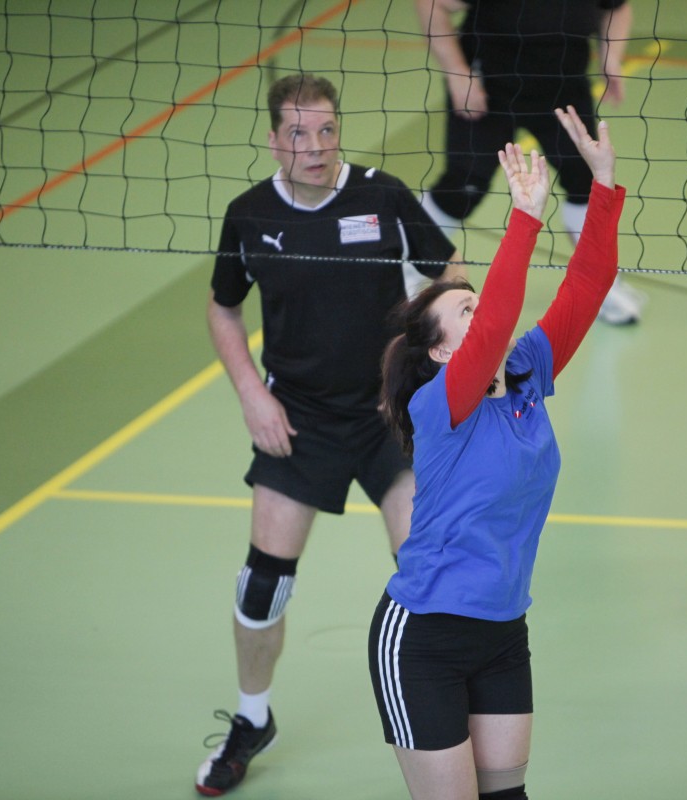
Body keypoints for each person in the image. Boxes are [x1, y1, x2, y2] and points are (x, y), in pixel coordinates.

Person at [197, 73, 463, 797]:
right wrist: (251, 394)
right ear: (273, 139)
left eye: (325, 130)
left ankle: (446, 715)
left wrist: (427, 363)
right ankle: (252, 718)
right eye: (298, 133)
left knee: (427, 571)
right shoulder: (249, 216)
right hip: (299, 419)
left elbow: (450, 276)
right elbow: (223, 308)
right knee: (261, 587)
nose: (315, 146)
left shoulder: (383, 197)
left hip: (386, 415)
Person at [369, 106, 624, 800]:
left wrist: (603, 186)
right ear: (440, 352)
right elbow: (502, 317)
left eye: (479, 302)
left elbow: (587, 286)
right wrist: (524, 218)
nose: (484, 314)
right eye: (466, 311)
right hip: (424, 637)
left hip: (504, 632)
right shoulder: (440, 405)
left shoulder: (526, 373)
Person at [411, 0, 646, 325]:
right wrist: (458, 74)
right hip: (490, 84)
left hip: (563, 84)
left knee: (586, 182)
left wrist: (611, 56)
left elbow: (618, 8)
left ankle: (602, 287)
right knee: (465, 185)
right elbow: (431, 4)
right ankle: (407, 272)